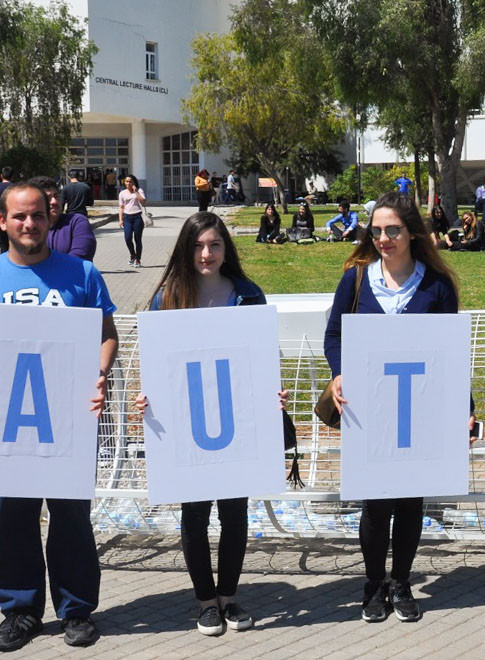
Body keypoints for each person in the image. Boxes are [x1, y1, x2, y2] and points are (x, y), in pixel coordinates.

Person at [0, 182, 117, 651]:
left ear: (51, 218)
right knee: (14, 519)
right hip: (5, 424)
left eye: (38, 215)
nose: (29, 224)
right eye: (20, 216)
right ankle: (20, 611)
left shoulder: (81, 274)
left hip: (66, 420)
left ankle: (77, 610)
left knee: (71, 518)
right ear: (2, 221)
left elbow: (108, 335)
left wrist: (99, 372)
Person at [323, 191, 466, 623]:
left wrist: (465, 406)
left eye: (393, 230)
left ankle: (401, 582)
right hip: (370, 409)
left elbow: (451, 352)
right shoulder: (357, 278)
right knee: (375, 502)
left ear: (412, 232)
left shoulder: (436, 285)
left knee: (409, 501)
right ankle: (373, 585)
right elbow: (334, 336)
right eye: (377, 230)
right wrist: (338, 372)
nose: (384, 238)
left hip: (418, 409)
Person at [137, 212, 280, 636]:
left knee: (235, 512)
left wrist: (273, 392)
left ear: (226, 249)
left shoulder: (248, 295)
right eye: (198, 246)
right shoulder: (167, 298)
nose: (206, 254)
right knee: (195, 514)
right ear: (186, 249)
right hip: (187, 422)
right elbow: (156, 363)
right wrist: (148, 396)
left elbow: (262, 358)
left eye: (215, 245)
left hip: (238, 420)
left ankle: (230, 598)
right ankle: (205, 601)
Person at [28, 176, 97, 261]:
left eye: (56, 196)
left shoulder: (76, 222)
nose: (54, 201)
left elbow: (80, 258)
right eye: (47, 198)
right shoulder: (28, 227)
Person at [118, 175, 147, 267]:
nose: (128, 183)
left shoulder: (139, 190)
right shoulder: (122, 193)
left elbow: (143, 201)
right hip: (127, 218)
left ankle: (138, 259)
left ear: (133, 182)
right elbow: (121, 207)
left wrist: (136, 191)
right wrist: (120, 220)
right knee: (127, 238)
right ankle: (132, 254)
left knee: (137, 239)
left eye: (130, 181)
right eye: (126, 181)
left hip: (137, 217)